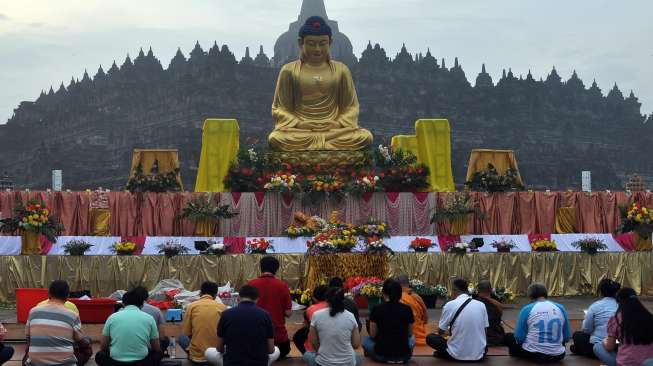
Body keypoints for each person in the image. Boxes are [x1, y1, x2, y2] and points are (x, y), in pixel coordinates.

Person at [268, 15, 373, 151]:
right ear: (301, 43)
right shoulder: (289, 71)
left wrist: (338, 124)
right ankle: (324, 147)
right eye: (311, 44)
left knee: (365, 137)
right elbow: (279, 109)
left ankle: (318, 147)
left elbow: (352, 108)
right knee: (276, 138)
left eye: (322, 43)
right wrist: (299, 124)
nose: (317, 49)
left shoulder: (341, 70)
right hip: (302, 132)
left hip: (333, 131)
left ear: (330, 42)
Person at [205, 285, 280, 366]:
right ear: (257, 299)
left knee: (208, 351)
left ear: (238, 298)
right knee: (277, 350)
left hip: (231, 362)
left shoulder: (226, 314)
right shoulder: (265, 315)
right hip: (260, 363)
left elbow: (219, 349)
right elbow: (271, 350)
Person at [26, 280, 90, 366]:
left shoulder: (33, 311)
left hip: (35, 363)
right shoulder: (72, 315)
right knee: (87, 347)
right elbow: (79, 341)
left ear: (49, 294)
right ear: (67, 296)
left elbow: (28, 339)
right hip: (65, 364)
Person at [504, 283, 570, 363]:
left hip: (534, 355)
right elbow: (566, 337)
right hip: (558, 355)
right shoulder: (560, 307)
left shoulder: (527, 309)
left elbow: (519, 338)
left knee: (509, 337)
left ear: (530, 296)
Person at [426, 278, 489, 362]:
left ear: (455, 290)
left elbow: (441, 331)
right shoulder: (481, 305)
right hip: (479, 355)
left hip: (456, 354)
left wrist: (450, 334)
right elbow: (485, 331)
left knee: (430, 338)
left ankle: (445, 353)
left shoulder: (449, 305)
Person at [95, 288, 162, 366]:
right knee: (158, 353)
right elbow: (156, 348)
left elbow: (103, 346)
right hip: (142, 362)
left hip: (115, 363)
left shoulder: (112, 317)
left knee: (100, 355)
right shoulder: (149, 318)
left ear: (123, 304)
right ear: (142, 304)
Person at [593, 287, 653, 366]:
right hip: (648, 362)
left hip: (625, 363)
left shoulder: (617, 319)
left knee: (597, 346)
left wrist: (604, 342)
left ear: (619, 302)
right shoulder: (649, 317)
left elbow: (609, 347)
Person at [248, 256, 292, 359]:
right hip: (279, 342)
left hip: (254, 341)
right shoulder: (282, 285)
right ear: (276, 269)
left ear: (261, 267)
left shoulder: (251, 284)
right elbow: (288, 313)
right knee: (283, 350)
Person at [305, 287, 362, 366]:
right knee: (358, 357)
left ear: (327, 300)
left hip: (323, 362)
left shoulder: (317, 315)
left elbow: (312, 340)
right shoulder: (350, 316)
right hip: (347, 363)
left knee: (307, 355)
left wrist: (320, 351)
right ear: (343, 300)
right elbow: (356, 344)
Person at [362, 279, 415, 363]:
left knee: (365, 341)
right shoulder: (407, 309)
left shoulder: (376, 309)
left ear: (384, 293)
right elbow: (410, 333)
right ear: (400, 294)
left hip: (382, 355)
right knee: (412, 339)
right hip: (404, 355)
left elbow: (372, 335)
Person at [179, 281, 227, 364]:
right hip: (216, 356)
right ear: (215, 295)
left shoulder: (191, 306)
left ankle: (192, 354)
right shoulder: (223, 308)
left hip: (197, 357)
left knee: (181, 337)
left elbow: (187, 332)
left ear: (200, 293)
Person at [570, 278, 620, 358]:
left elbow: (586, 330)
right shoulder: (622, 306)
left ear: (601, 292)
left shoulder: (595, 306)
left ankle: (582, 350)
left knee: (577, 335)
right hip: (618, 346)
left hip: (599, 346)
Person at [132, 287, 170, 354]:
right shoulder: (156, 310)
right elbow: (162, 336)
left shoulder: (120, 313)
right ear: (147, 298)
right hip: (149, 348)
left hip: (129, 347)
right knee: (165, 340)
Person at [293, 285, 329, 354]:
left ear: (314, 298)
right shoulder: (335, 307)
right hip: (337, 350)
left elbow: (305, 327)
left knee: (299, 336)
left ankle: (307, 354)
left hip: (316, 352)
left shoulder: (310, 309)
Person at [396, 274, 428, 346]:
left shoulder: (396, 298)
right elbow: (425, 318)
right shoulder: (417, 297)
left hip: (403, 335)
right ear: (408, 284)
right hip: (420, 333)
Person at [475, 280, 505, 346]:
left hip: (477, 338)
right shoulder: (497, 304)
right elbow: (500, 314)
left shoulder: (472, 303)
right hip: (495, 338)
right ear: (491, 290)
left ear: (478, 290)